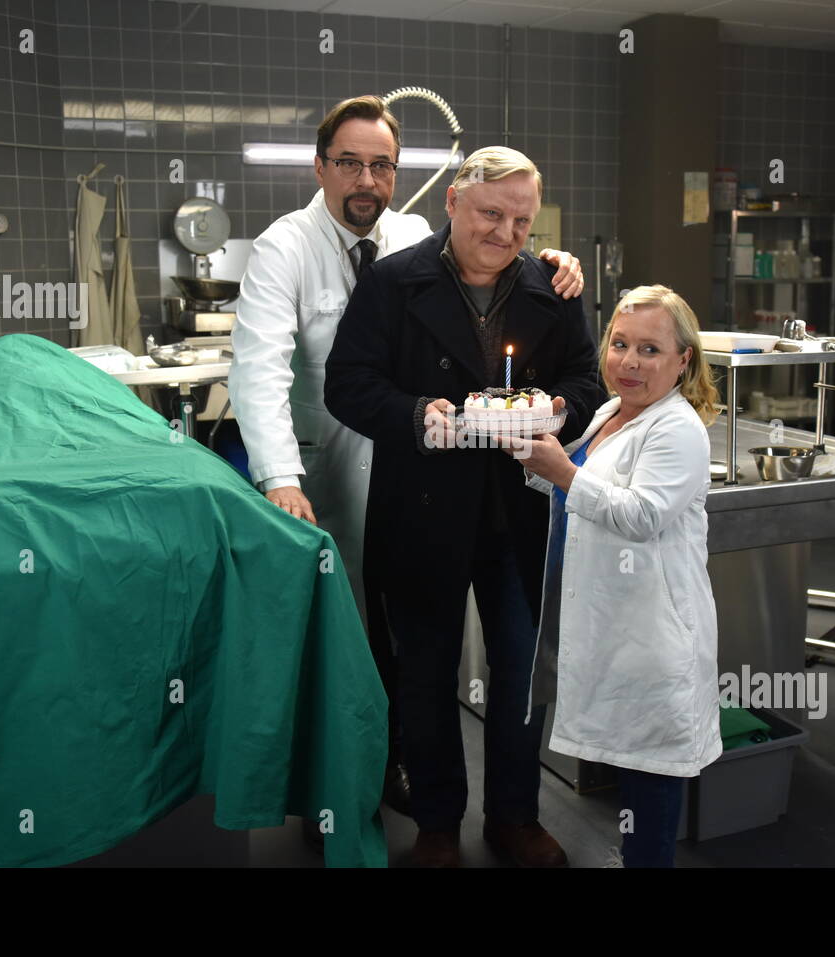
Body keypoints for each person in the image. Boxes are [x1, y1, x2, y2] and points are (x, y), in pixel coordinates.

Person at [228, 96, 585, 818]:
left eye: (382, 165)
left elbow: (553, 344)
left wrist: (551, 261)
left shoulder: (412, 235)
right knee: (356, 644)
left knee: (432, 655)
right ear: (320, 166)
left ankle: (425, 782)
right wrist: (279, 478)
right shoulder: (283, 248)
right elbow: (261, 369)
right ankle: (340, 788)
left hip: (437, 473)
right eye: (351, 163)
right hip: (326, 466)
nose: (368, 179)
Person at [324, 146, 605, 867]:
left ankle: (514, 816)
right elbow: (347, 383)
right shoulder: (392, 282)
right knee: (425, 673)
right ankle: (438, 823)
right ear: (453, 202)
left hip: (520, 515)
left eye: (521, 220)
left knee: (519, 673)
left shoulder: (553, 285)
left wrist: (561, 406)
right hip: (422, 510)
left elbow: (587, 379)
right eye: (491, 213)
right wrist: (418, 414)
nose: (506, 233)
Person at [506, 284, 723, 868]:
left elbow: (642, 515)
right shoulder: (611, 412)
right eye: (620, 344)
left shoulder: (677, 428)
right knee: (632, 769)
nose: (629, 362)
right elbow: (575, 478)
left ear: (684, 361)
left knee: (650, 782)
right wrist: (535, 457)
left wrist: (561, 472)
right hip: (613, 625)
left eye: (650, 350)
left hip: (651, 635)